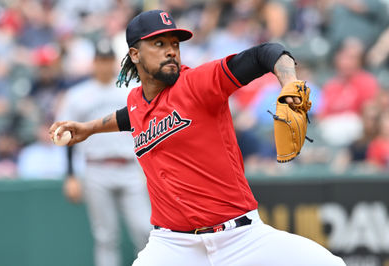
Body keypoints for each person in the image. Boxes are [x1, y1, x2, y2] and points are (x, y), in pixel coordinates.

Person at [50, 10, 345, 266]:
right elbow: (128, 116)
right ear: (135, 54)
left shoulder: (199, 83)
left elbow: (265, 53)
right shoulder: (136, 102)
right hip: (172, 247)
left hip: (240, 237)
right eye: (159, 43)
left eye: (175, 44)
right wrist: (88, 128)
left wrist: (289, 81)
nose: (171, 51)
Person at [56, 39, 151, 266]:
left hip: (130, 168)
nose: (104, 65)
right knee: (106, 236)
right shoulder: (77, 95)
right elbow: (66, 135)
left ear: (114, 63)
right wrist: (70, 175)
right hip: (96, 168)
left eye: (109, 60)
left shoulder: (131, 90)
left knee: (145, 230)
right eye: (101, 60)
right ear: (94, 62)